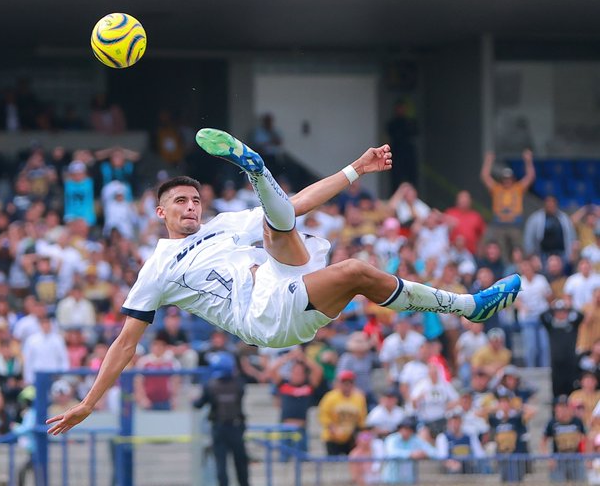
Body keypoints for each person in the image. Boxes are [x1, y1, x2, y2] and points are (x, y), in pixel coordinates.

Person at [47, 128, 521, 435]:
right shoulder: (156, 268)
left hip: (283, 279)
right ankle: (256, 170)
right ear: (161, 212)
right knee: (346, 266)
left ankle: (471, 306)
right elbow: (125, 344)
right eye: (180, 202)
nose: (191, 207)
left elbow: (299, 202)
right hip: (262, 317)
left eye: (195, 200)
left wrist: (357, 168)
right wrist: (90, 402)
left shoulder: (224, 225)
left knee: (288, 225)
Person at [193, 351, 249, 486]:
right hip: (236, 428)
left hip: (219, 428)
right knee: (241, 464)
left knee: (221, 464)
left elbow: (198, 404)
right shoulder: (239, 384)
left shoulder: (210, 386)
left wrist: (193, 399)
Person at [480, 150, 535, 260]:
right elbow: (485, 177)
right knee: (501, 251)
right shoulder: (497, 189)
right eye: (505, 178)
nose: (507, 181)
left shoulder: (517, 188)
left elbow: (530, 177)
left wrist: (528, 161)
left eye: (509, 178)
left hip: (515, 225)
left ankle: (520, 270)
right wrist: (488, 161)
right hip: (499, 225)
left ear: (512, 179)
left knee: (519, 249)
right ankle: (505, 272)